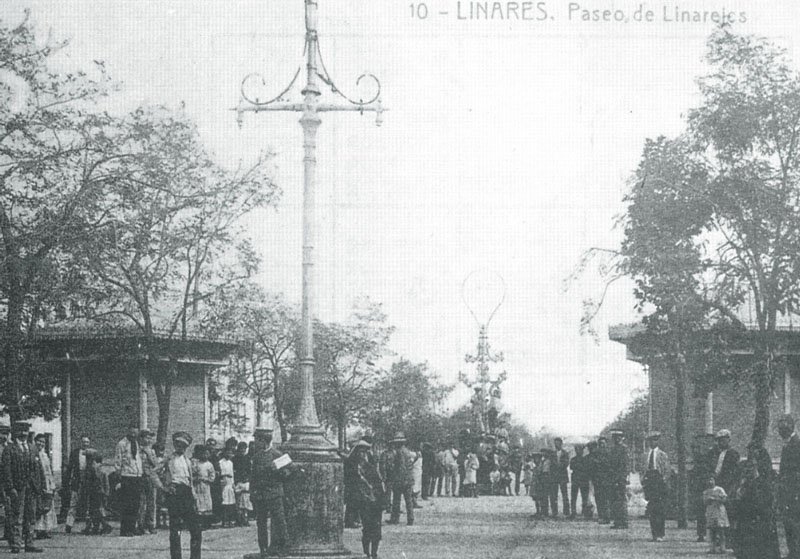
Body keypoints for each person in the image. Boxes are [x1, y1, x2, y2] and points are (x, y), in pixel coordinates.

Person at [251, 427, 301, 556]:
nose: (255, 442)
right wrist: (253, 493)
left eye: (257, 440)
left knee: (279, 521)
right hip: (260, 495)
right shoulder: (256, 457)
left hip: (274, 494)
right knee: (261, 523)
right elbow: (253, 477)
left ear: (263, 440)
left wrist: (280, 472)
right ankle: (263, 549)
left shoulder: (277, 455)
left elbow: (294, 470)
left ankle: (285, 548)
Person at [2, 421, 43, 554]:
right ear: (15, 433)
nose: (23, 434)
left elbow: (38, 469)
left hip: (31, 488)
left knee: (31, 516)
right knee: (17, 516)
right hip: (17, 488)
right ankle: (16, 544)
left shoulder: (33, 448)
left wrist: (39, 486)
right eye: (21, 431)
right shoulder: (10, 449)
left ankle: (30, 542)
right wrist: (10, 488)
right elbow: (6, 471)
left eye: (26, 431)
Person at [733, 446, 780, 559]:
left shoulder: (764, 482)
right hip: (746, 524)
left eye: (754, 461)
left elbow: (764, 505)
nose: (751, 464)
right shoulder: (745, 482)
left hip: (759, 525)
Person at [164, 431, 202, 559]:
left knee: (195, 528)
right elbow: (153, 472)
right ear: (174, 445)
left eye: (183, 446)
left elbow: (190, 481)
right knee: (175, 529)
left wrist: (194, 496)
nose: (180, 448)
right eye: (178, 444)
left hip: (187, 493)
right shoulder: (169, 459)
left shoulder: (187, 461)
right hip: (175, 493)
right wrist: (165, 487)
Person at [640, 431, 670, 542]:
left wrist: (663, 481)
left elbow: (667, 470)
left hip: (659, 483)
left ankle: (660, 534)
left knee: (660, 509)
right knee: (651, 508)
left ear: (658, 441)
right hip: (649, 483)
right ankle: (654, 533)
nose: (653, 442)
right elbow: (642, 470)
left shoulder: (663, 455)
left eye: (655, 440)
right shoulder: (644, 455)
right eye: (651, 440)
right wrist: (643, 481)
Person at [114, 425, 143, 537]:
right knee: (127, 504)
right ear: (128, 432)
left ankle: (132, 527)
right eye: (131, 433)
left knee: (135, 504)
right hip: (126, 476)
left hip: (137, 476)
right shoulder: (122, 444)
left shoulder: (136, 443)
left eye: (135, 433)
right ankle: (125, 529)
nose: (133, 435)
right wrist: (119, 478)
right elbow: (118, 461)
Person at [779, 414, 800, 559]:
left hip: (794, 490)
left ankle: (795, 551)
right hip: (787, 489)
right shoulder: (788, 443)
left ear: (790, 426)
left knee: (794, 521)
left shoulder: (796, 443)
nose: (780, 430)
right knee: (789, 521)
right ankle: (793, 551)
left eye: (783, 426)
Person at [690, 433, 716, 542]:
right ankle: (701, 534)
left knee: (710, 510)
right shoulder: (697, 461)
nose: (695, 451)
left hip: (707, 486)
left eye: (697, 448)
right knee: (700, 511)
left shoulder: (709, 457)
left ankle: (709, 534)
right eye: (694, 448)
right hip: (699, 487)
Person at [64, 435, 92, 534]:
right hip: (77, 481)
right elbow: (70, 468)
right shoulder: (75, 453)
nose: (85, 444)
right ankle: (69, 524)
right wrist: (67, 482)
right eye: (83, 442)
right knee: (73, 504)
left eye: (87, 442)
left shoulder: (92, 453)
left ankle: (88, 526)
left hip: (88, 482)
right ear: (80, 443)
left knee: (88, 504)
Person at [387, 432, 416, 526]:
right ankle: (410, 519)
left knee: (396, 500)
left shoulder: (398, 452)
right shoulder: (407, 451)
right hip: (408, 478)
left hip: (400, 479)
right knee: (409, 500)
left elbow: (399, 467)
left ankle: (395, 518)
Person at [84, 450, 113, 535]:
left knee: (96, 510)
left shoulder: (95, 469)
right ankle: (96, 527)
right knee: (95, 510)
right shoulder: (96, 469)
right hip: (97, 492)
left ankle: (105, 526)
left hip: (96, 493)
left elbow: (97, 482)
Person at [32, 434, 55, 540]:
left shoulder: (45, 455)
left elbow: (49, 470)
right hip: (39, 483)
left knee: (48, 506)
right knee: (39, 506)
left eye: (43, 442)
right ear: (35, 441)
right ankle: (38, 530)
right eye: (39, 441)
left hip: (47, 481)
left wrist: (52, 484)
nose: (41, 444)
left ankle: (45, 529)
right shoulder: (33, 453)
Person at [137, 429, 159, 535]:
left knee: (152, 502)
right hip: (139, 477)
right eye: (147, 437)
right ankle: (140, 525)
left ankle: (151, 525)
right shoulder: (136, 450)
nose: (149, 440)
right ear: (141, 438)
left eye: (150, 438)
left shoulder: (152, 451)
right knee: (141, 502)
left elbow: (155, 464)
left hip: (150, 477)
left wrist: (149, 453)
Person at [608, 429, 629, 529]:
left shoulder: (624, 449)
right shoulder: (613, 449)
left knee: (621, 499)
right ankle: (617, 521)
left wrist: (621, 477)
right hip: (613, 477)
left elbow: (624, 465)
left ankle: (623, 522)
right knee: (614, 500)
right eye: (615, 437)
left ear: (621, 438)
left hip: (620, 478)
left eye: (618, 437)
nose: (616, 439)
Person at [191, 445, 215, 529]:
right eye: (203, 454)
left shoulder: (209, 465)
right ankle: (199, 523)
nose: (205, 456)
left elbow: (212, 476)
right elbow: (192, 474)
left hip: (205, 486)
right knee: (198, 503)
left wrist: (206, 479)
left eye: (207, 454)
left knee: (206, 502)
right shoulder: (196, 464)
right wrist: (195, 478)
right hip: (197, 486)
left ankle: (207, 523)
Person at [703, 475, 729, 554]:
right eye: (708, 480)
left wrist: (716, 499)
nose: (710, 482)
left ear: (714, 480)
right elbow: (704, 502)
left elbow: (724, 499)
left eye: (711, 480)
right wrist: (708, 500)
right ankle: (713, 548)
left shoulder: (719, 489)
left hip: (719, 511)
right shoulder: (706, 492)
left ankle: (722, 548)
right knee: (712, 531)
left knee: (721, 531)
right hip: (711, 511)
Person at [232, 441, 252, 527]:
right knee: (238, 501)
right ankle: (239, 519)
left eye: (244, 448)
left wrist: (248, 478)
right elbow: (234, 471)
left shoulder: (248, 458)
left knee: (246, 501)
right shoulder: (235, 459)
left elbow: (249, 470)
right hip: (238, 481)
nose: (243, 450)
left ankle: (245, 518)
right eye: (241, 449)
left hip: (245, 481)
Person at [570, 444, 591, 520]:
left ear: (582, 451)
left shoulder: (585, 459)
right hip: (576, 480)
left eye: (580, 450)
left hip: (583, 480)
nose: (579, 451)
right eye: (577, 450)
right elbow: (571, 467)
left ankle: (585, 512)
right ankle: (573, 511)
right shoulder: (573, 459)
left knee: (584, 497)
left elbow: (587, 468)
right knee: (573, 497)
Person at [593, 437, 612, 524]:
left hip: (607, 479)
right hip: (597, 479)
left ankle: (607, 516)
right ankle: (601, 515)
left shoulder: (609, 453)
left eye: (603, 443)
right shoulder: (595, 453)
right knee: (598, 498)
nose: (602, 445)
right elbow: (592, 464)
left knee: (606, 498)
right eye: (600, 443)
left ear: (606, 444)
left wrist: (600, 462)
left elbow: (610, 464)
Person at [551, 437, 570, 517]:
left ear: (561, 444)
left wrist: (560, 466)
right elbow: (551, 463)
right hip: (554, 476)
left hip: (562, 475)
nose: (556, 445)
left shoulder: (565, 453)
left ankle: (566, 511)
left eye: (558, 443)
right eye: (555, 443)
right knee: (554, 494)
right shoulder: (552, 453)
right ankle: (554, 512)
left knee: (564, 494)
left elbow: (566, 463)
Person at [218, 447, 236, 527]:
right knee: (224, 503)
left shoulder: (231, 463)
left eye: (230, 453)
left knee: (231, 503)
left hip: (230, 483)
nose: (229, 454)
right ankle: (224, 521)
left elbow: (232, 474)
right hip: (223, 483)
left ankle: (230, 520)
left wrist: (233, 484)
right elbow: (219, 474)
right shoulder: (220, 462)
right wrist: (225, 475)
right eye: (227, 452)